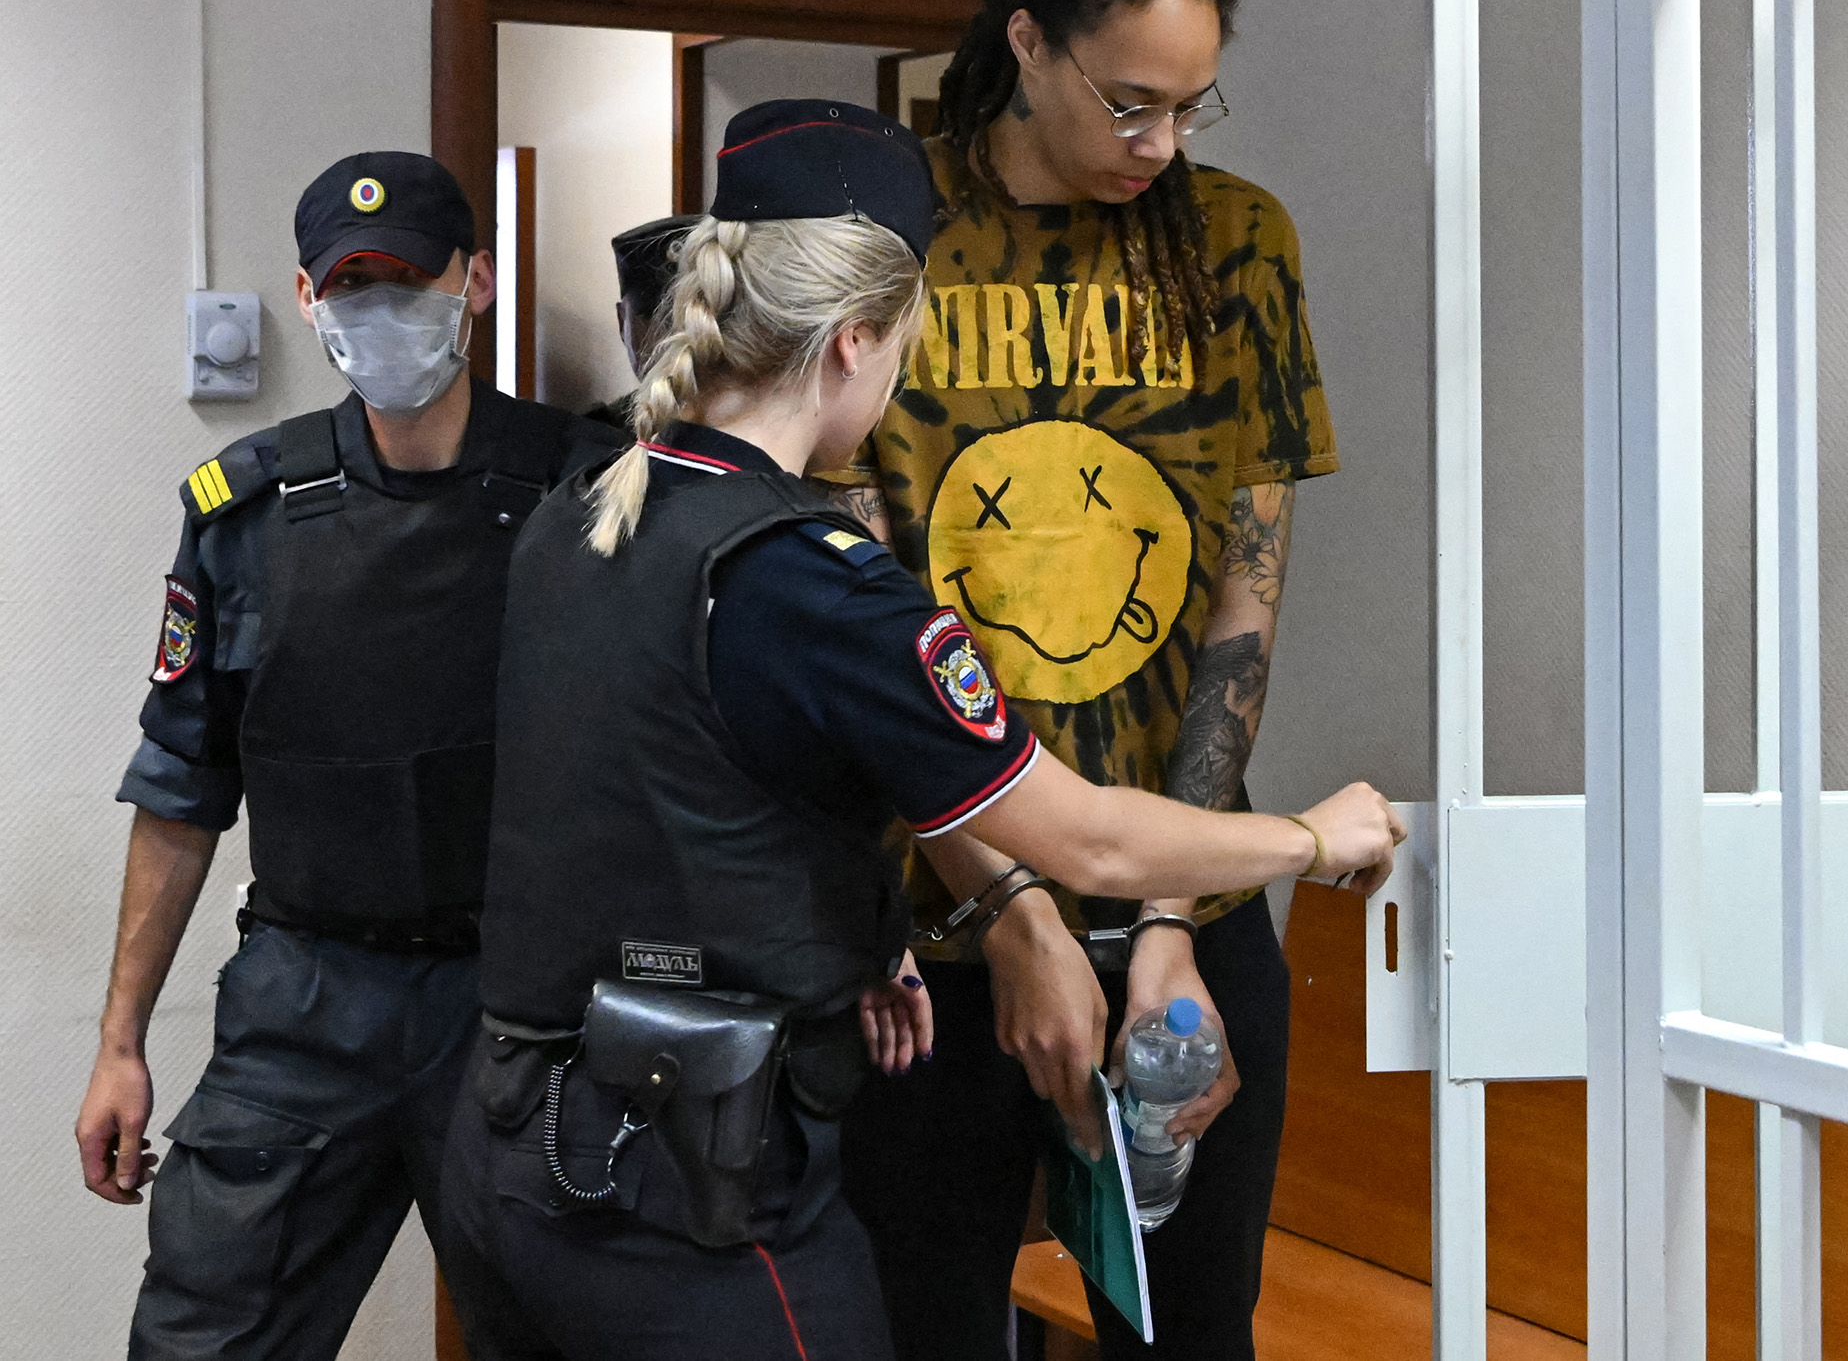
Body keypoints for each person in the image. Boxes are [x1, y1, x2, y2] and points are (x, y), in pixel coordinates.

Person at [433, 98, 1399, 1361]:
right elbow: (1090, 841)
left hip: (514, 1158)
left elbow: (673, 790)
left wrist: (856, 938)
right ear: (852, 343)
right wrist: (1310, 839)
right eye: (904, 355)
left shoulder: (589, 508)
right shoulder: (815, 581)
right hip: (691, 1204)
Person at [826, 0, 1334, 1361]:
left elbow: (1246, 588)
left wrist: (1167, 916)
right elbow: (853, 627)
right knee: (924, 1330)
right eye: (1128, 102)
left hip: (1188, 922)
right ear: (1030, 41)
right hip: (937, 926)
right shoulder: (886, 238)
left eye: (1191, 107)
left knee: (1188, 1337)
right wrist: (1013, 905)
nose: (1159, 145)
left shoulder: (1238, 243)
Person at [74, 150, 626, 1360]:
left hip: (528, 1009)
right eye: (350, 291)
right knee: (201, 1338)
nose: (381, 317)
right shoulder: (249, 510)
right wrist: (119, 1042)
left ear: (474, 282)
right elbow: (180, 788)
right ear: (309, 299)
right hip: (308, 1000)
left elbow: (675, 760)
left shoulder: (589, 493)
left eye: (408, 284)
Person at [588, 213, 699, 427]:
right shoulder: (597, 437)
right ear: (623, 324)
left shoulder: (594, 442)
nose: (677, 343)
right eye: (666, 322)